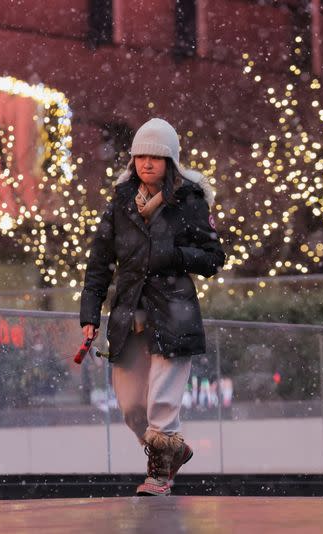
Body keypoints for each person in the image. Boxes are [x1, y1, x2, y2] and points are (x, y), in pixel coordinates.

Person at [80, 118, 225, 496]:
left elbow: (214, 258)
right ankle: (170, 450)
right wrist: (89, 317)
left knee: (162, 402)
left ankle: (159, 474)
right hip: (128, 317)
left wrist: (173, 255)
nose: (147, 163)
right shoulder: (119, 204)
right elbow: (99, 265)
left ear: (171, 162)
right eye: (141, 156)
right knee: (130, 408)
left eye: (156, 157)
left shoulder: (190, 201)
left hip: (174, 314)